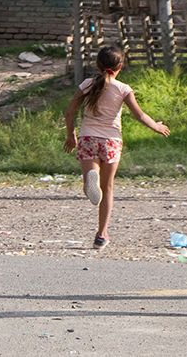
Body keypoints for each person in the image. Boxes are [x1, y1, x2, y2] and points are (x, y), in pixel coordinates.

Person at [64, 46, 170, 250]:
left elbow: (70, 112)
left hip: (88, 137)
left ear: (97, 64)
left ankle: (89, 180)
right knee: (108, 188)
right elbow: (139, 115)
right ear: (120, 66)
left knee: (92, 181)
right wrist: (156, 126)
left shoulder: (87, 84)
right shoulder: (123, 88)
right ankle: (102, 234)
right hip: (111, 141)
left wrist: (71, 135)